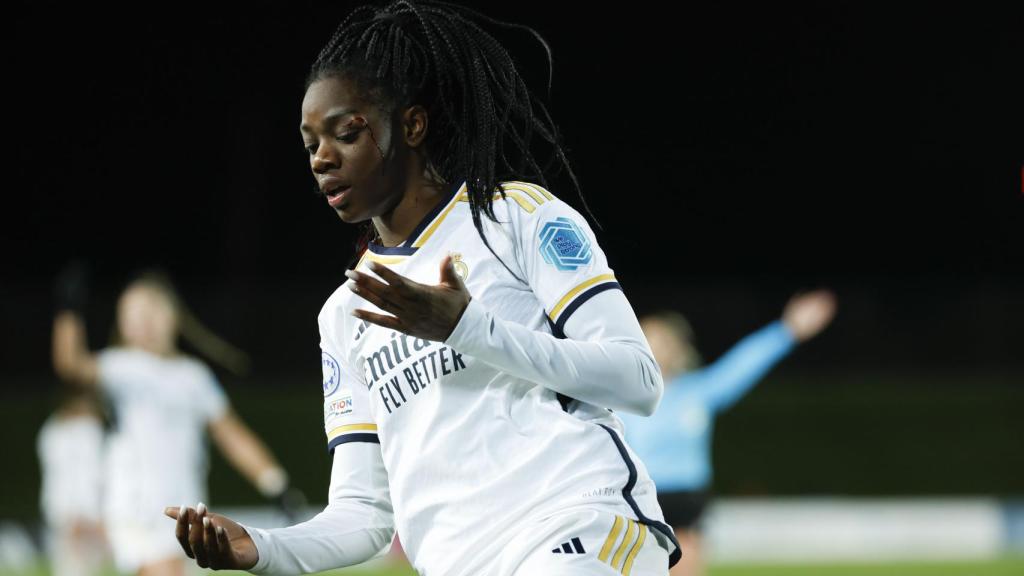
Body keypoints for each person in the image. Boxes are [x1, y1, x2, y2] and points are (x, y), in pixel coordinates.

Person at [164, 1, 682, 575]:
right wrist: (264, 549)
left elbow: (638, 379)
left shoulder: (514, 217)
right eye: (311, 144)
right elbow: (365, 512)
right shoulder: (344, 314)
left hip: (578, 527)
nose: (323, 158)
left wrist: (469, 329)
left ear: (411, 125)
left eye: (346, 132)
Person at [52, 268, 293, 576]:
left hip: (186, 508)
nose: (145, 320)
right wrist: (68, 312)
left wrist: (275, 482)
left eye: (152, 309)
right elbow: (70, 365)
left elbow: (230, 434)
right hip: (138, 510)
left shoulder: (194, 376)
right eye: (134, 312)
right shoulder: (120, 368)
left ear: (173, 315)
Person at [619, 289, 837, 576]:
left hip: (686, 499)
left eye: (663, 341)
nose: (657, 348)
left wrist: (788, 330)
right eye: (649, 340)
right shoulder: (622, 399)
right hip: (641, 499)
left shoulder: (698, 391)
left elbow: (744, 364)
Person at [36, 387, 109, 576]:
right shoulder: (84, 431)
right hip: (76, 510)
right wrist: (82, 513)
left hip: (66, 509)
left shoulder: (52, 430)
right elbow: (84, 475)